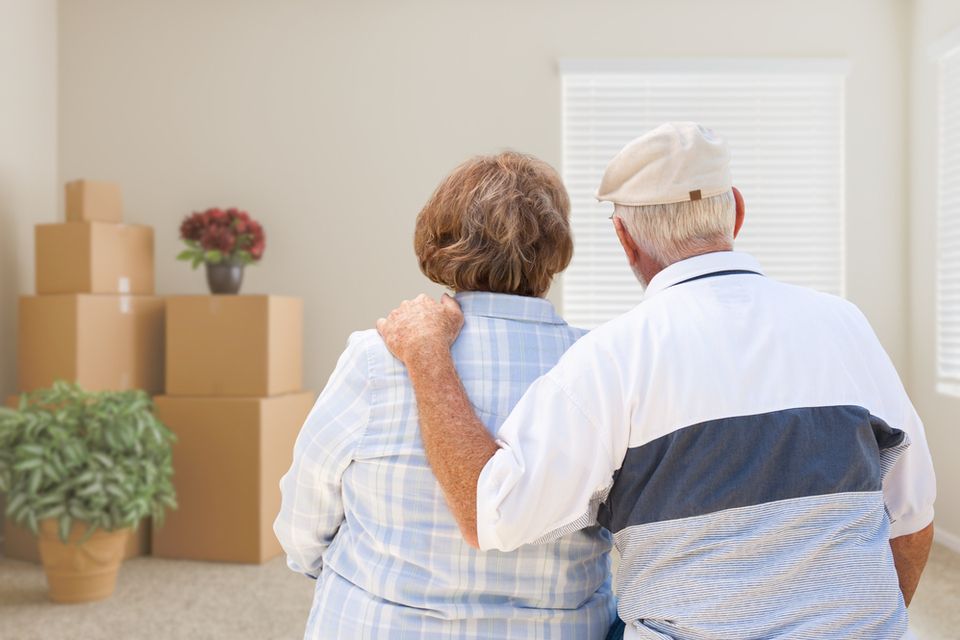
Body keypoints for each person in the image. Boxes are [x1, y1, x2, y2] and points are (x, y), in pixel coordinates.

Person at [376, 122, 937, 640]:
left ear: (625, 239)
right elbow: (911, 521)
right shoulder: (845, 325)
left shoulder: (612, 357)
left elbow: (488, 515)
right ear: (736, 212)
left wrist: (428, 356)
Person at [274, 151, 616, 639]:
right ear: (557, 248)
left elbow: (307, 510)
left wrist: (322, 569)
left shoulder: (377, 357)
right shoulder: (599, 365)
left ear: (439, 238)